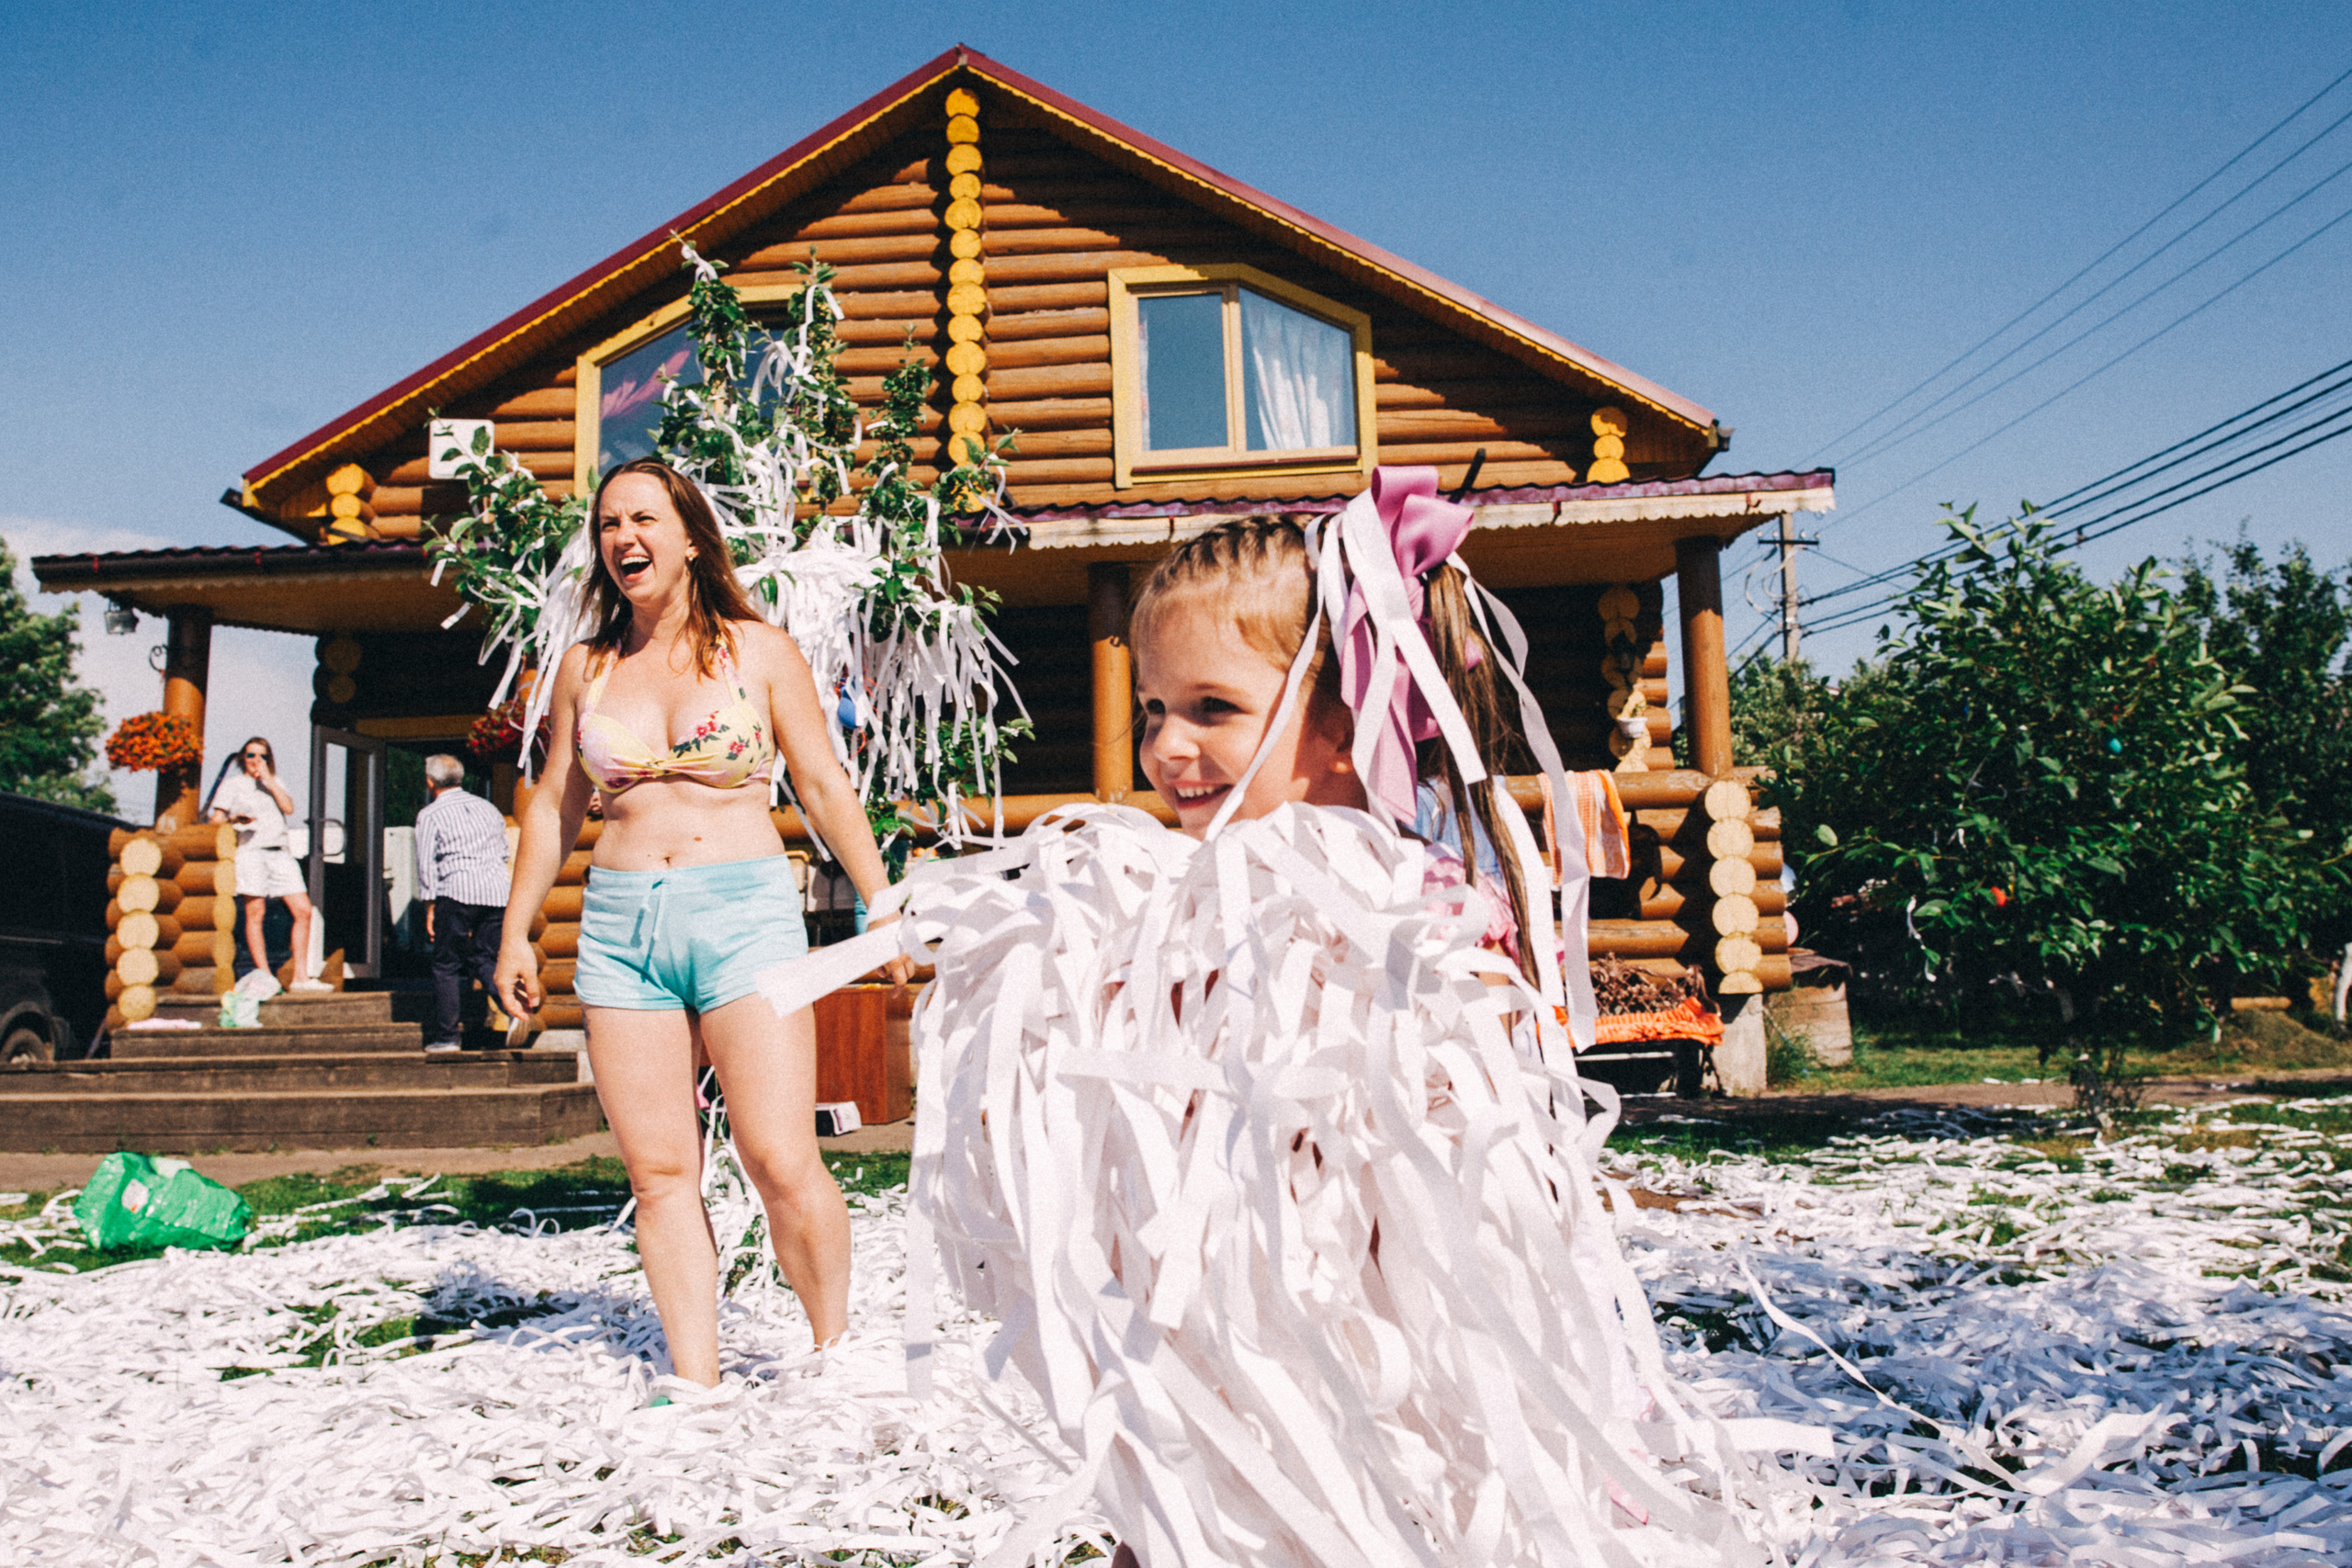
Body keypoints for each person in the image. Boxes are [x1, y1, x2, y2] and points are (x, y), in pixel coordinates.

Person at [492, 457, 906, 1390]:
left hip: (744, 917)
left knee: (779, 1156)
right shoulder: (586, 668)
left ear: (688, 536)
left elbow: (823, 783)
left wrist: (881, 901)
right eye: (608, 524)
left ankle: (834, 1351)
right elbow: (553, 805)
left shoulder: (760, 652)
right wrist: (517, 929)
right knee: (659, 1174)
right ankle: (697, 1382)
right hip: (621, 928)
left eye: (643, 519)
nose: (623, 538)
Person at [207, 737, 328, 994]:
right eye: (251, 755)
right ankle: (265, 975)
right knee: (256, 912)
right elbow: (215, 820)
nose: (256, 760)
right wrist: (233, 818)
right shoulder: (233, 785)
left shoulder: (275, 782)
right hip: (251, 851)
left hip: (279, 851)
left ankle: (301, 976)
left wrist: (269, 781)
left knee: (303, 910)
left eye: (262, 756)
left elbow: (288, 807)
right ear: (243, 758)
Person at [412, 753, 512, 1054]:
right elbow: (504, 852)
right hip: (496, 892)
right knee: (486, 958)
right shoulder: (489, 808)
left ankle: (448, 1037)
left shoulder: (430, 814)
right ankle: (515, 1010)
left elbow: (426, 863)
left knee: (447, 964)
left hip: (457, 890)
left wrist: (430, 904)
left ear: (430, 782)